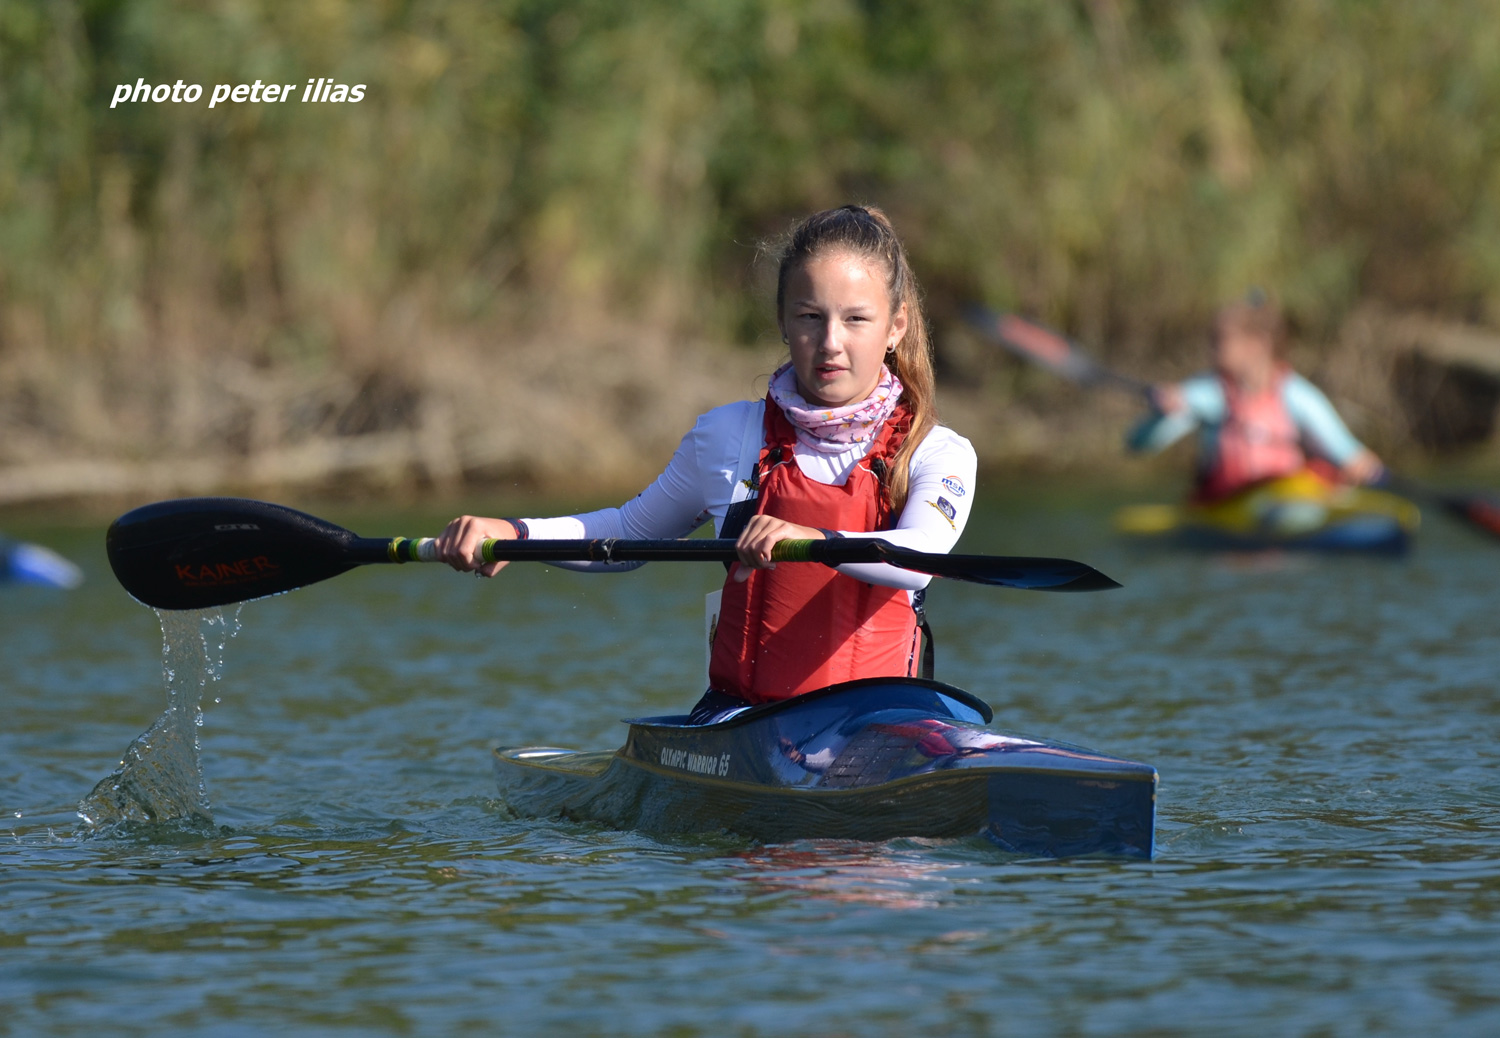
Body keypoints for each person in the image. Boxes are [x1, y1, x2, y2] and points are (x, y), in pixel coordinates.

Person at [435, 204, 976, 722]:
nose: (831, 342)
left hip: (882, 724)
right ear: (783, 321)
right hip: (746, 723)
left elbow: (916, 560)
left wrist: (809, 538)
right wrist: (514, 533)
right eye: (810, 317)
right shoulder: (728, 437)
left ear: (896, 326)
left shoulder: (935, 452)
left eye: (856, 319)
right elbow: (628, 534)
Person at [1126, 293, 1384, 501]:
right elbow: (1137, 444)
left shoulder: (1295, 395)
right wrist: (1161, 414)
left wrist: (1362, 465)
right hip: (1227, 504)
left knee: (1320, 477)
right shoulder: (1209, 394)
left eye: (1220, 339)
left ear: (1258, 343)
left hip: (1288, 495)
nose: (1212, 348)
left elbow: (1345, 450)